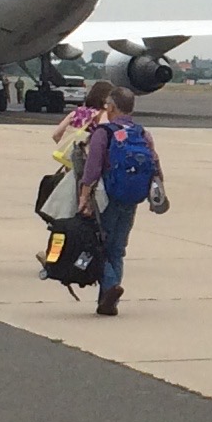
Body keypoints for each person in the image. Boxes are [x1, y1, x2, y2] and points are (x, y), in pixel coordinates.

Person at [74, 83, 164, 317]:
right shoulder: (143, 134)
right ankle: (108, 302)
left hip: (107, 197)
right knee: (118, 249)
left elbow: (92, 170)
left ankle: (111, 287)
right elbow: (154, 164)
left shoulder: (103, 134)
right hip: (132, 197)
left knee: (98, 245)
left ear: (111, 107)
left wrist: (83, 198)